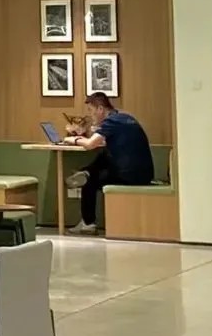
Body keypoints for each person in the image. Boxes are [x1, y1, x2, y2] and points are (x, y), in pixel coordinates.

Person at [63, 93, 154, 233]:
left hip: (131, 176)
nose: (91, 115)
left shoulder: (111, 122)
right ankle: (86, 172)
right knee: (105, 154)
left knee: (90, 183)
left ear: (100, 109)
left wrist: (72, 139)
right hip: (144, 173)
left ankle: (88, 224)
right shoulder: (124, 117)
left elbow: (90, 144)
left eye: (91, 111)